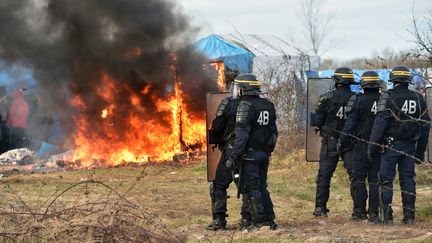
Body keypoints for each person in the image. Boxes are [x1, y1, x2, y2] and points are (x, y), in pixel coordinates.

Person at [368, 65, 430, 225]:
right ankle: (409, 217)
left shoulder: (387, 96)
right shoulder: (418, 97)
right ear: (408, 80)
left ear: (393, 80)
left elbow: (379, 124)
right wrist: (420, 151)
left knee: (386, 181)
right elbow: (425, 125)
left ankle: (386, 218)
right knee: (408, 180)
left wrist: (372, 145)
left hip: (390, 146)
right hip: (409, 146)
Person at [226, 73, 278, 230]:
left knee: (251, 188)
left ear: (243, 89)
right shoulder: (268, 104)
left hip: (250, 154)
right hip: (263, 153)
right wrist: (267, 151)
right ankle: (267, 219)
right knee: (262, 186)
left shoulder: (245, 107)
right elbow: (273, 132)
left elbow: (242, 136)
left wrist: (234, 157)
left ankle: (260, 221)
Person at [337, 71, 382, 223]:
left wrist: (341, 140)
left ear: (363, 84)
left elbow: (350, 125)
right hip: (379, 147)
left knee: (359, 180)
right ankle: (375, 213)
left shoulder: (357, 99)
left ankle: (359, 212)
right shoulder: (385, 99)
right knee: (375, 180)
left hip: (361, 145)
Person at [312, 67, 356, 217]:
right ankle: (359, 210)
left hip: (330, 141)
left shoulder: (326, 98)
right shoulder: (356, 97)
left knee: (324, 175)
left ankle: (320, 208)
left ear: (336, 80)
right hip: (350, 141)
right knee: (355, 175)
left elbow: (317, 120)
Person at [206, 78, 241, 230]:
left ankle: (219, 220)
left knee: (219, 184)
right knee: (249, 186)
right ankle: (250, 218)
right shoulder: (261, 105)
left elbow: (217, 126)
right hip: (250, 153)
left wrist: (215, 140)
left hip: (231, 150)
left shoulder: (229, 104)